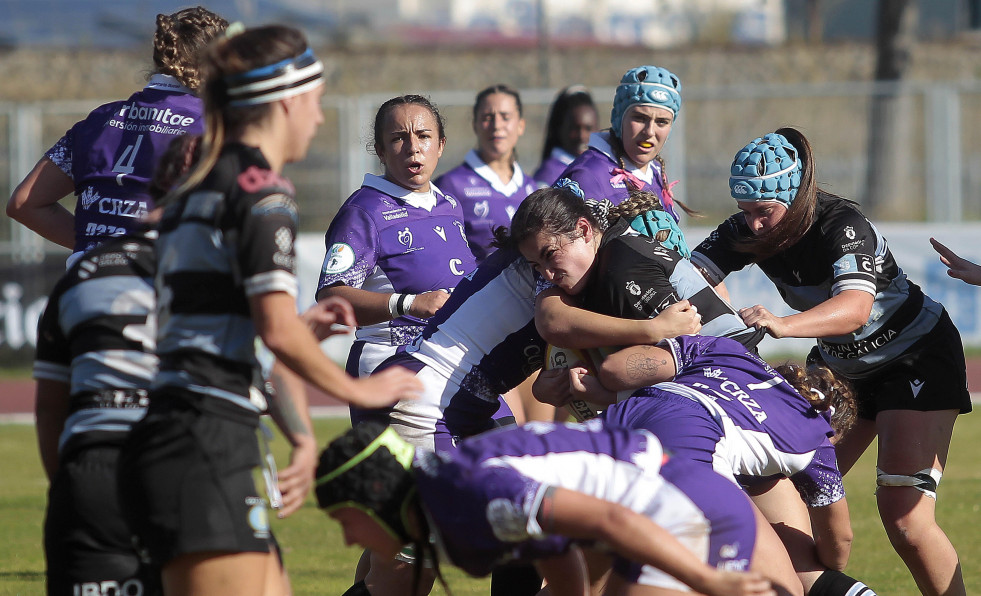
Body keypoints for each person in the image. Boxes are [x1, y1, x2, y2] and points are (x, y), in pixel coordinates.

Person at [116, 25, 421, 596]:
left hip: (193, 435)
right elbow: (276, 331)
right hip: (205, 440)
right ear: (288, 100)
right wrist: (362, 392)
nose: (321, 118)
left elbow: (229, 323)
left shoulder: (202, 182)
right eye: (318, 101)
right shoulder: (261, 193)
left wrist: (300, 330)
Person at [691, 127, 972, 596]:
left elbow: (855, 309)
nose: (754, 225)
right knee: (787, 491)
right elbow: (686, 277)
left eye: (765, 212)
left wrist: (781, 324)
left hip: (915, 358)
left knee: (904, 515)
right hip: (842, 368)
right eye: (745, 212)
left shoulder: (841, 224)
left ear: (795, 196)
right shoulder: (746, 229)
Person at [537, 334, 877, 596]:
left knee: (586, 580)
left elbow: (628, 370)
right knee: (775, 587)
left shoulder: (728, 350)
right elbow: (840, 541)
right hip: (683, 456)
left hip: (604, 436)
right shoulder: (817, 436)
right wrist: (827, 564)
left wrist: (599, 387)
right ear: (836, 429)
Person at [316, 420, 776, 596]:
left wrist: (708, 580)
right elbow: (551, 548)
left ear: (373, 498)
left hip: (687, 508)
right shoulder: (443, 497)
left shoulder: (467, 491)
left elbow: (609, 518)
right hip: (667, 506)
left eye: (346, 521)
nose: (349, 539)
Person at [6, 7, 228, 263]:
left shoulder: (99, 119)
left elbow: (24, 203)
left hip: (85, 286)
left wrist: (105, 249)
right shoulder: (214, 126)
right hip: (160, 283)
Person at [34, 223, 160, 596]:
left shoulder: (81, 274)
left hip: (89, 466)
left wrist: (65, 486)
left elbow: (49, 408)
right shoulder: (211, 264)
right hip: (177, 459)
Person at [316, 95, 476, 380]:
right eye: (399, 138)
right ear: (380, 150)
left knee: (505, 425)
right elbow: (331, 295)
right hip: (391, 360)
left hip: (453, 357)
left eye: (424, 136)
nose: (414, 148)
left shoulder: (450, 205)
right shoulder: (363, 210)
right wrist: (408, 304)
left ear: (440, 146)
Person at [498, 184, 763, 351]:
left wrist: (600, 390)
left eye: (550, 254)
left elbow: (674, 360)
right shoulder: (613, 251)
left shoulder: (620, 272)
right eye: (535, 266)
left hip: (738, 372)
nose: (547, 275)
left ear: (583, 229)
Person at [556, 65, 694, 223]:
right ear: (618, 117)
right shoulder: (588, 176)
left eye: (662, 122)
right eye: (640, 118)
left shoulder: (655, 174)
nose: (649, 131)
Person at [435, 84, 537, 264]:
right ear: (475, 124)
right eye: (487, 117)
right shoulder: (450, 185)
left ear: (521, 125)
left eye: (505, 117)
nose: (496, 125)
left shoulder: (532, 189)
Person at [533, 85, 599, 186]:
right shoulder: (548, 175)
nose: (582, 136)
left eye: (588, 128)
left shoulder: (603, 168)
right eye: (574, 128)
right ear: (559, 128)